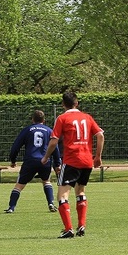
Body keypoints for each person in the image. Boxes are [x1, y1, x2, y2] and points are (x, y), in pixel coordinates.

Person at [42, 91, 104, 239]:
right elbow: (100, 135)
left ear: (63, 104)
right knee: (80, 191)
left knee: (62, 194)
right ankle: (81, 225)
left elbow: (54, 141)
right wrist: (98, 156)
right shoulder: (87, 117)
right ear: (76, 103)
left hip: (71, 160)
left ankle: (68, 228)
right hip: (87, 160)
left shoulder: (62, 118)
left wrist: (45, 157)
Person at [5, 110, 61, 214]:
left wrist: (13, 160)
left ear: (32, 119)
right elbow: (55, 147)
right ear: (44, 120)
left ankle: (11, 207)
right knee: (46, 181)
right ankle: (51, 203)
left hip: (30, 160)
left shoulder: (27, 130)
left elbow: (15, 146)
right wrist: (57, 163)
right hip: (45, 160)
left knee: (19, 185)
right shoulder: (49, 131)